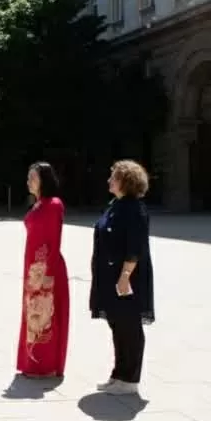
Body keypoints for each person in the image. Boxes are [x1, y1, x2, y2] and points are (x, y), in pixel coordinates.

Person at [90, 159, 155, 395]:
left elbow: (135, 247)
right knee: (117, 325)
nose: (109, 180)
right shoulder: (116, 205)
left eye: (114, 176)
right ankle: (118, 375)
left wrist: (125, 276)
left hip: (127, 279)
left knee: (130, 327)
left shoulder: (134, 209)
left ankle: (130, 379)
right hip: (111, 276)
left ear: (126, 181)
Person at [17, 162, 70, 378]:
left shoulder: (54, 204)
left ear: (44, 180)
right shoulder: (37, 204)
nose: (28, 181)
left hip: (46, 270)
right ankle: (32, 362)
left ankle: (45, 365)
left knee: (45, 315)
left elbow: (54, 239)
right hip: (32, 269)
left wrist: (47, 274)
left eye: (33, 177)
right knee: (32, 315)